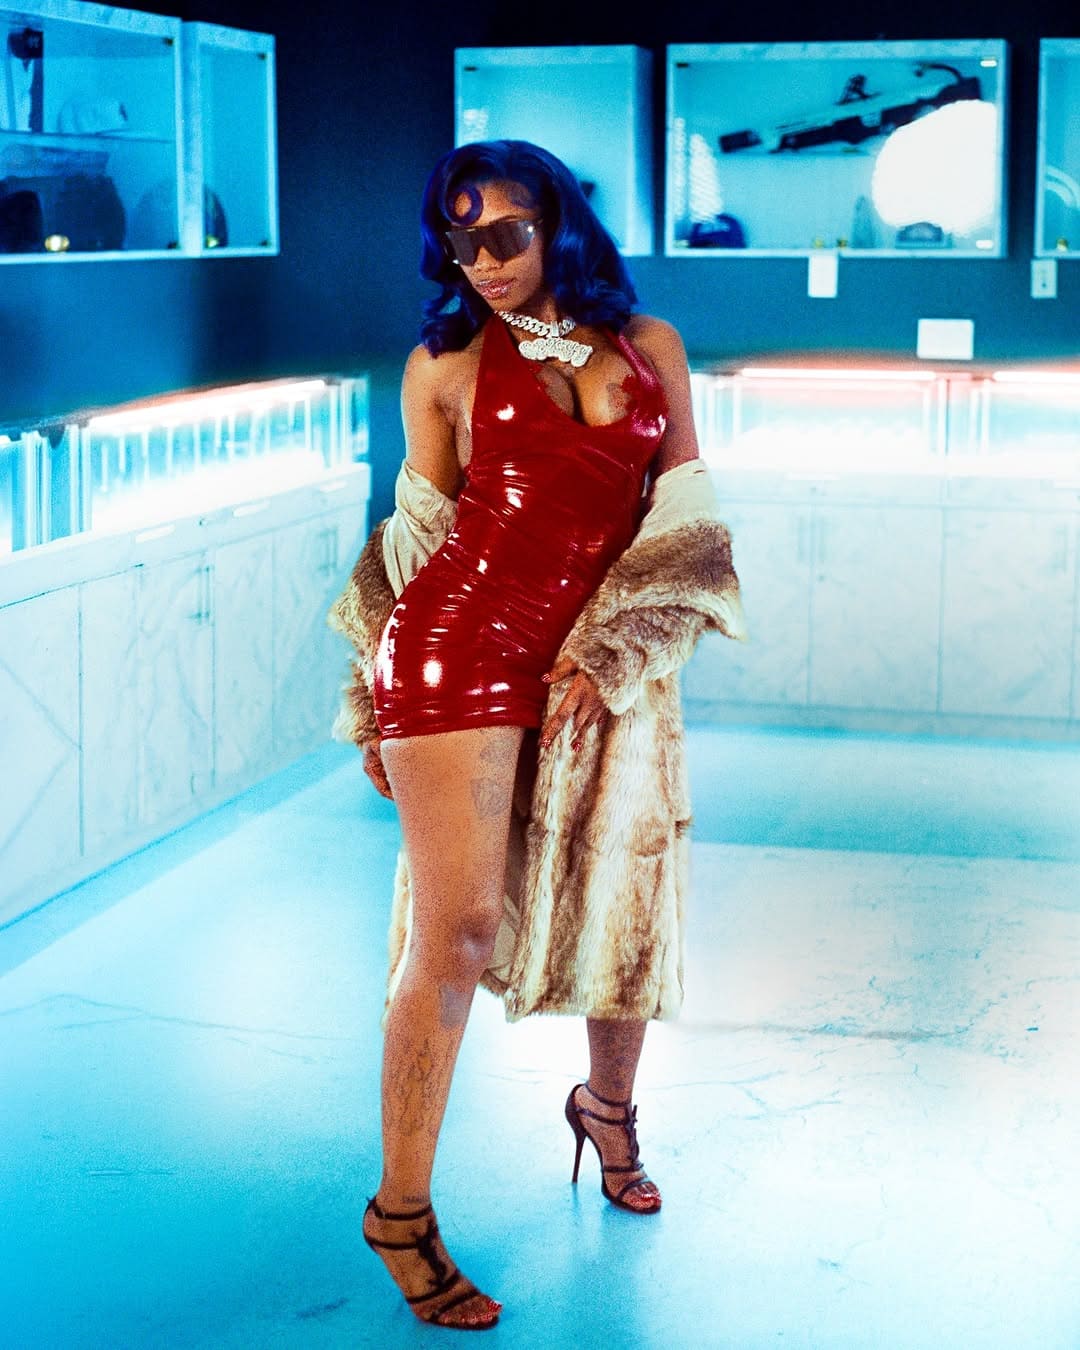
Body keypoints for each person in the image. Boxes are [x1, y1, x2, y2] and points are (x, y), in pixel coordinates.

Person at [329, 139, 744, 1332]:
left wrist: (614, 648)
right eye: (460, 241)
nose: (483, 261)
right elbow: (417, 531)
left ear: (558, 223)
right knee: (456, 932)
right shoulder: (445, 362)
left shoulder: (649, 346)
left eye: (504, 234)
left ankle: (607, 1113)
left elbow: (688, 520)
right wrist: (375, 700)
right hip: (455, 651)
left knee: (628, 888)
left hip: (602, 663)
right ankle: (400, 1212)